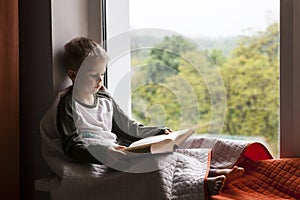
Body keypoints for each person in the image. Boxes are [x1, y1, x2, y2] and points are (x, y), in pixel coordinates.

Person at [56, 36, 244, 195]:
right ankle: (201, 185)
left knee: (170, 152)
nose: (99, 81)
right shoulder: (68, 105)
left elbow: (128, 127)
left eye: (102, 75)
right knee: (155, 164)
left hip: (119, 150)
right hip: (98, 158)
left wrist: (158, 132)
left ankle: (211, 171)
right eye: (92, 75)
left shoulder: (105, 98)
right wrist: (104, 153)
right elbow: (72, 145)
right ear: (73, 75)